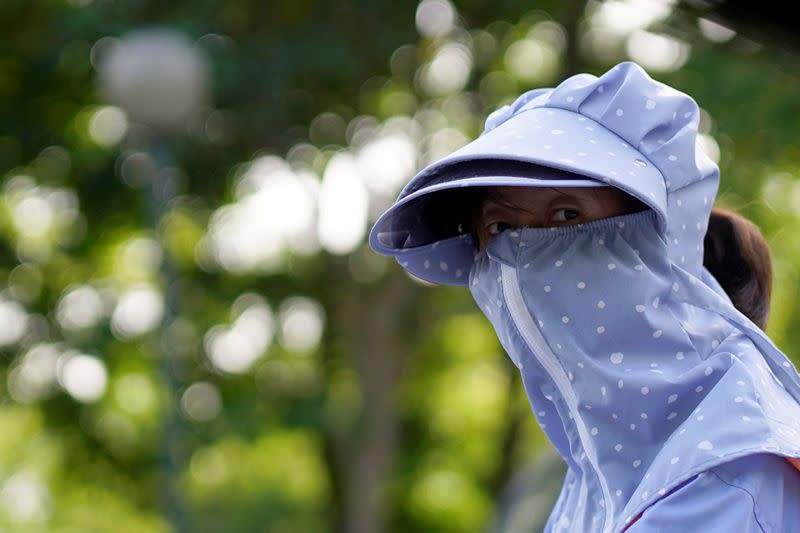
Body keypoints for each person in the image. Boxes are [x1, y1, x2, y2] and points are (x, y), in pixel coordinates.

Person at [368, 61, 800, 532]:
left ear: (661, 237)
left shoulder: (728, 465)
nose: (525, 252)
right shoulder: (600, 466)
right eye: (501, 226)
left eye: (568, 213)